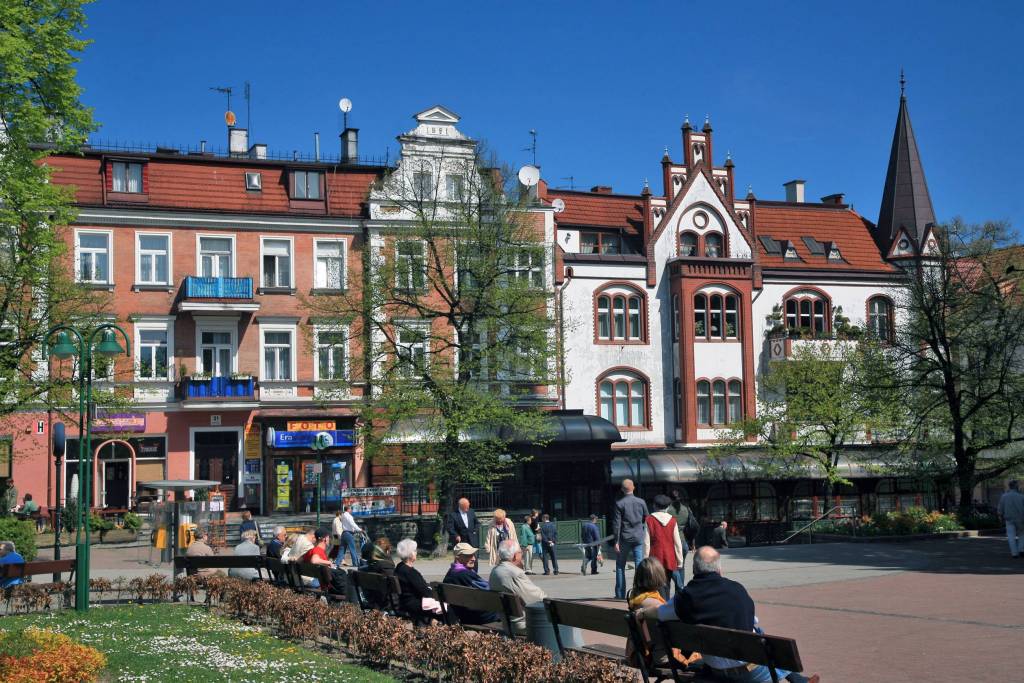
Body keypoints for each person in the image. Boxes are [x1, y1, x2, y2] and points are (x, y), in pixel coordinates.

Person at [637, 547, 819, 683]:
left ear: (694, 570)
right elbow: (752, 622)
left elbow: (660, 613)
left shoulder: (684, 598)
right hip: (749, 673)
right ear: (719, 569)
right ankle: (798, 680)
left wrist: (643, 612)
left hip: (716, 669)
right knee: (761, 638)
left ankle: (799, 681)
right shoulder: (737, 590)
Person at [489, 539, 546, 635]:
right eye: (520, 552)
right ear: (515, 556)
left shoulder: (495, 571)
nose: (522, 554)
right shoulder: (515, 573)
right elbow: (536, 599)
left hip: (506, 622)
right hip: (522, 624)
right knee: (565, 620)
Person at [442, 542, 499, 625]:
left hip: (463, 615)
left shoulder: (451, 572)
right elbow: (490, 588)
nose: (473, 559)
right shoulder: (464, 574)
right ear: (458, 557)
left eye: (473, 555)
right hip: (477, 617)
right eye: (468, 555)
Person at [613, 478, 650, 598]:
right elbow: (647, 518)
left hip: (625, 538)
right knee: (639, 566)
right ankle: (639, 592)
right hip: (639, 537)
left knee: (620, 566)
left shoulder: (619, 504)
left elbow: (617, 524)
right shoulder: (641, 502)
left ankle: (620, 594)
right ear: (633, 487)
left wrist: (616, 542)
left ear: (622, 490)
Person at [644, 494, 684, 600]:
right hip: (670, 557)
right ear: (667, 507)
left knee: (657, 585)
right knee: (667, 584)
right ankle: (666, 604)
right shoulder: (672, 520)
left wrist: (645, 560)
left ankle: (661, 606)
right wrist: (680, 561)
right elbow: (677, 543)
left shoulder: (649, 520)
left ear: (654, 506)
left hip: (655, 558)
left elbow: (646, 543)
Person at [395, 538, 443, 626]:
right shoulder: (410, 572)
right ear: (410, 554)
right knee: (445, 606)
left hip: (404, 602)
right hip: (414, 604)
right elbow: (425, 592)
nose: (416, 552)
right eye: (414, 550)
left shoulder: (399, 567)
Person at [358, 536, 398, 610]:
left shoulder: (368, 568)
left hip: (373, 601)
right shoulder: (387, 567)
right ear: (387, 551)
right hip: (388, 603)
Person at [669, 490, 697, 591]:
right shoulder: (686, 509)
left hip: (671, 542)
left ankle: (680, 587)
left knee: (670, 567)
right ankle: (680, 592)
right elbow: (692, 526)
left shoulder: (668, 510)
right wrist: (693, 543)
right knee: (681, 567)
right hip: (683, 542)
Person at [997, 479, 1024, 558]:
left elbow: (1000, 508)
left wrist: (1000, 516)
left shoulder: (1004, 496)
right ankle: (1021, 549)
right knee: (1022, 534)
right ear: (1016, 487)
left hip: (1008, 519)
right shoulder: (1021, 496)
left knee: (1010, 536)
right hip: (1021, 518)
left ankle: (1014, 553)